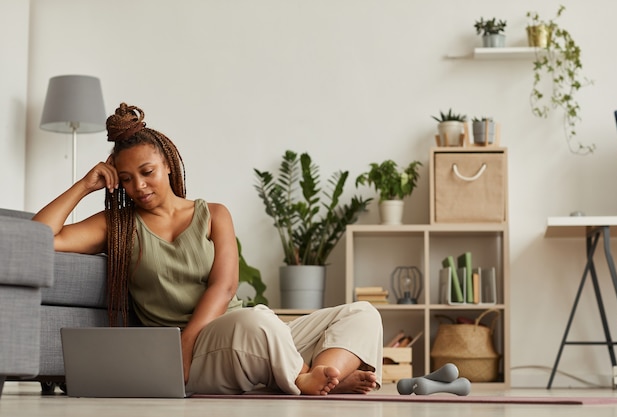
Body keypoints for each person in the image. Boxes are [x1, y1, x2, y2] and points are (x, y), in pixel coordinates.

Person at [33, 102, 383, 395]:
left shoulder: (213, 214)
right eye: (126, 178)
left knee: (362, 313)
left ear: (168, 165)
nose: (138, 185)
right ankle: (304, 377)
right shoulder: (117, 225)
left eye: (147, 171)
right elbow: (37, 238)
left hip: (233, 332)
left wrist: (185, 345)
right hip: (205, 351)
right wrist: (84, 185)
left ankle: (318, 376)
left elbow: (225, 286)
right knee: (258, 322)